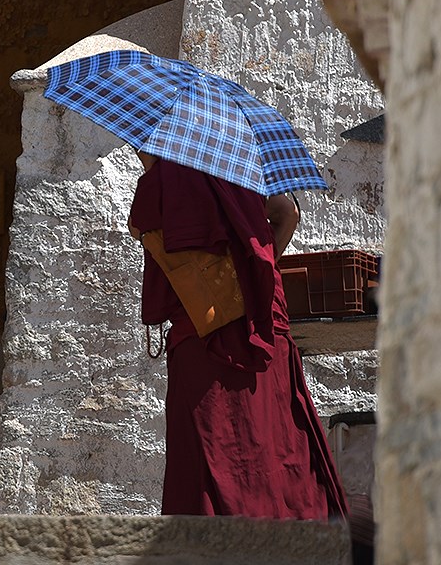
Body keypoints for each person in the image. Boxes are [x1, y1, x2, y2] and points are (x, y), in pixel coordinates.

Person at [127, 153, 347, 519]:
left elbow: (144, 230)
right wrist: (253, 278)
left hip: (200, 337)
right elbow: (288, 214)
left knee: (206, 461)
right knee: (278, 451)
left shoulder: (159, 183)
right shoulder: (238, 163)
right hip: (262, 330)